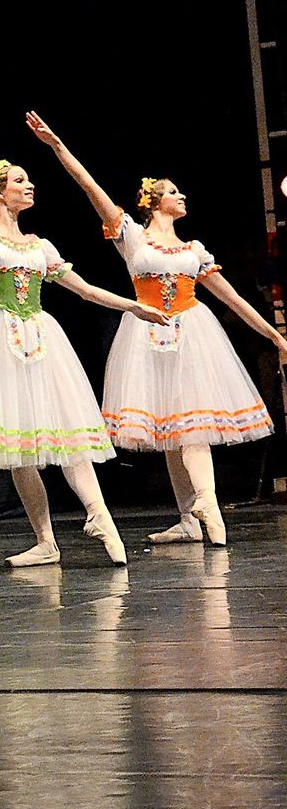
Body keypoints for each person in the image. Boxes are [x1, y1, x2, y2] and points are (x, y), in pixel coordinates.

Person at [0, 72, 172, 567]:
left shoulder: (40, 245)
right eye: (20, 181)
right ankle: (46, 539)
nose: (29, 187)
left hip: (41, 335)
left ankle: (99, 516)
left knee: (67, 433)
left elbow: (84, 288)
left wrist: (132, 305)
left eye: (29, 180)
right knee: (20, 447)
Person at [28, 111, 286, 545]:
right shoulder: (132, 236)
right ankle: (191, 517)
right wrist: (57, 146)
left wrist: (276, 336)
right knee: (169, 430)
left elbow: (233, 298)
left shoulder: (194, 249)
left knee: (191, 426)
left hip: (194, 336)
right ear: (153, 201)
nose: (181, 196)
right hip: (147, 335)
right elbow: (91, 187)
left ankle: (206, 503)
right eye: (173, 192)